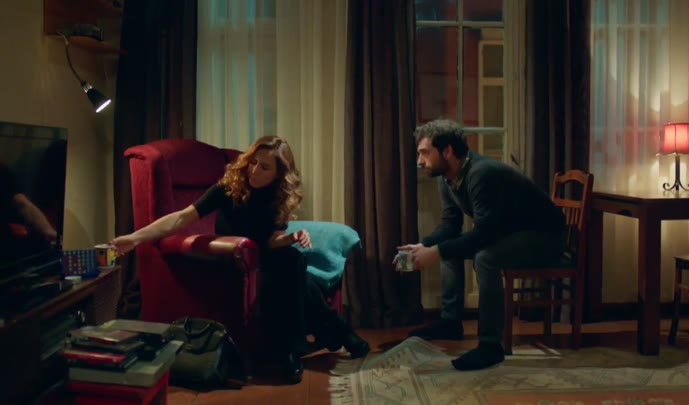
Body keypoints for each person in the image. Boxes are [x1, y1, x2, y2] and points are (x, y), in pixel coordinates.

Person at [110, 136, 369, 384]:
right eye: (253, 162)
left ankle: (293, 352)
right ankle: (329, 337)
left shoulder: (276, 196)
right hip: (235, 263)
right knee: (298, 277)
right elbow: (181, 218)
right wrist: (134, 238)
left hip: (263, 257)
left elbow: (270, 240)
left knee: (293, 261)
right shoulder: (229, 187)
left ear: (277, 175)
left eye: (264, 167)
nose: (254, 171)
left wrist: (292, 237)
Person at [397, 119, 566, 371]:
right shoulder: (446, 178)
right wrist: (421, 247)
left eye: (424, 152)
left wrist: (436, 252)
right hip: (511, 234)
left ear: (447, 151)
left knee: (485, 258)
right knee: (451, 246)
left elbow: (485, 233)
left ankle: (490, 346)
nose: (420, 161)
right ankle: (450, 322)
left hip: (546, 237)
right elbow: (450, 225)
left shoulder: (481, 173)